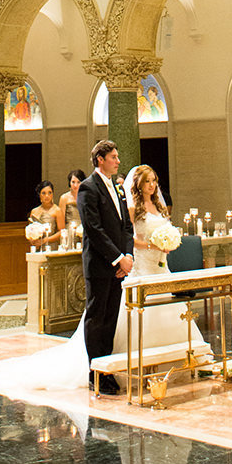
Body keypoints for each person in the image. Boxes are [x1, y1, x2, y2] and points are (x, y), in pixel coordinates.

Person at [0, 160, 196, 396]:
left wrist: (168, 241)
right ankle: (120, 366)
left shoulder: (160, 207)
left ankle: (174, 363)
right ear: (139, 185)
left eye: (154, 181)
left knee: (167, 312)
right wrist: (151, 245)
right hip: (140, 264)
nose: (152, 186)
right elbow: (128, 235)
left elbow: (161, 229)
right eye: (148, 182)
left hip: (159, 267)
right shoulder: (129, 205)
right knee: (124, 315)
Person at [78, 140, 134, 394]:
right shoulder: (88, 188)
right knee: (97, 317)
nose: (118, 161)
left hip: (119, 264)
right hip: (100, 264)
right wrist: (116, 258)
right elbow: (94, 229)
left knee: (111, 317)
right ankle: (95, 372)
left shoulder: (118, 188)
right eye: (113, 156)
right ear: (100, 159)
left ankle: (106, 367)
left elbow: (126, 226)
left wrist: (128, 256)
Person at [27, 180, 61, 248]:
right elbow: (30, 231)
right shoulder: (34, 211)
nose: (47, 196)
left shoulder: (57, 210)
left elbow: (61, 232)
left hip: (51, 246)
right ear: (39, 194)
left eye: (49, 193)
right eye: (43, 193)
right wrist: (31, 239)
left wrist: (45, 240)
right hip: (37, 246)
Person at [59, 169, 86, 238]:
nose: (75, 185)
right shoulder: (64, 198)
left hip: (84, 232)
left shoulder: (86, 197)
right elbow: (61, 221)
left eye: (78, 182)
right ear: (69, 183)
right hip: (69, 233)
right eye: (73, 182)